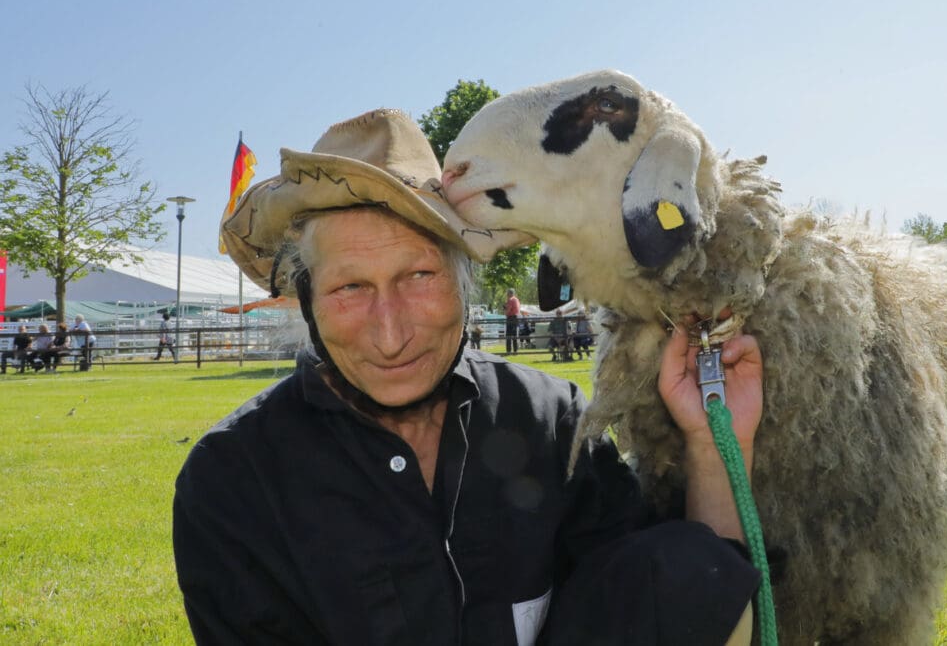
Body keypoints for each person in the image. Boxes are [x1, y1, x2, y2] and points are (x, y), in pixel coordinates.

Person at [175, 109, 762, 645]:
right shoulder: (232, 480)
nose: (390, 334)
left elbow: (681, 599)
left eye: (419, 276)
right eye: (350, 288)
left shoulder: (553, 422)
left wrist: (713, 444)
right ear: (306, 300)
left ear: (462, 281)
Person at [504, 288, 520, 354]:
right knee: (514, 334)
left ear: (510, 293)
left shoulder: (510, 300)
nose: (507, 295)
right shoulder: (516, 299)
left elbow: (508, 310)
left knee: (508, 335)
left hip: (511, 317)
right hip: (516, 317)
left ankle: (508, 351)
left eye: (507, 293)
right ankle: (515, 350)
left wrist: (505, 312)